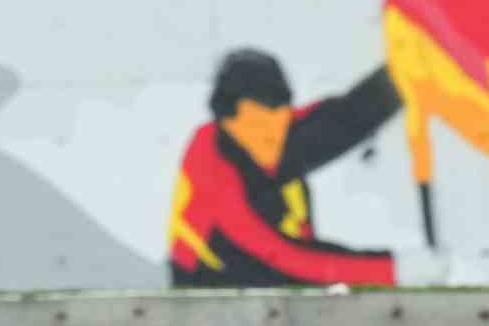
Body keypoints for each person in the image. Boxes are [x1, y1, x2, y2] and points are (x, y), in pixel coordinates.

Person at [168, 49, 399, 288]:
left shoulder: (272, 136)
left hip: (284, 282)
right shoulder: (211, 166)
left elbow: (344, 118)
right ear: (225, 120)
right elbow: (281, 256)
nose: (274, 136)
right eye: (259, 124)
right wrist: (392, 270)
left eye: (280, 119)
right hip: (214, 291)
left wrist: (405, 72)